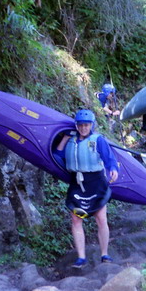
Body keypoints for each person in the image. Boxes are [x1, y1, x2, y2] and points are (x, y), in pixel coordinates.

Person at [55, 109, 119, 269]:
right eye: (81, 125)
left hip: (96, 182)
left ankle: (105, 254)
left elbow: (109, 158)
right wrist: (64, 138)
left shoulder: (98, 140)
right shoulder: (70, 140)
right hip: (77, 184)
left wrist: (113, 168)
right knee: (76, 219)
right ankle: (81, 258)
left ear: (92, 125)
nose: (84, 128)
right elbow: (56, 156)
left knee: (101, 218)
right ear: (76, 125)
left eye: (87, 125)